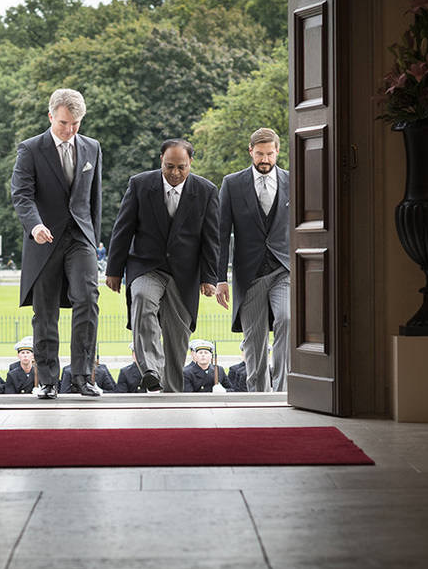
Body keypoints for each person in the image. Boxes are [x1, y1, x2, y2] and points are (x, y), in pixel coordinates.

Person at [105, 139, 220, 393]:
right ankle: (150, 370)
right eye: (169, 166)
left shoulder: (206, 191)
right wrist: (114, 269)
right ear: (161, 161)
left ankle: (172, 396)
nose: (175, 173)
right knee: (142, 298)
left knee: (177, 342)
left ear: (190, 162)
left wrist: (209, 277)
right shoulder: (140, 185)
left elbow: (211, 238)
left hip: (185, 274)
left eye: (181, 167)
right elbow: (122, 229)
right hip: (146, 265)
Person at [11, 89, 102, 399]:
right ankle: (48, 380)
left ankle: (82, 377)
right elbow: (21, 194)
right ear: (51, 116)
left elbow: (94, 202)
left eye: (76, 123)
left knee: (88, 300)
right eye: (64, 123)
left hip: (80, 237)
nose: (70, 130)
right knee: (45, 310)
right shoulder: (31, 149)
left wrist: (93, 237)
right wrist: (34, 225)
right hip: (44, 238)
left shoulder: (92, 148)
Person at [216, 127, 290, 393]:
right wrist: (220, 280)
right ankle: (259, 396)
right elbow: (221, 234)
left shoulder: (293, 181)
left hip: (284, 269)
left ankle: (283, 390)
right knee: (254, 340)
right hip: (249, 275)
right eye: (259, 154)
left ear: (278, 151)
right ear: (251, 152)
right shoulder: (232, 184)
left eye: (270, 153)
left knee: (287, 319)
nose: (265, 159)